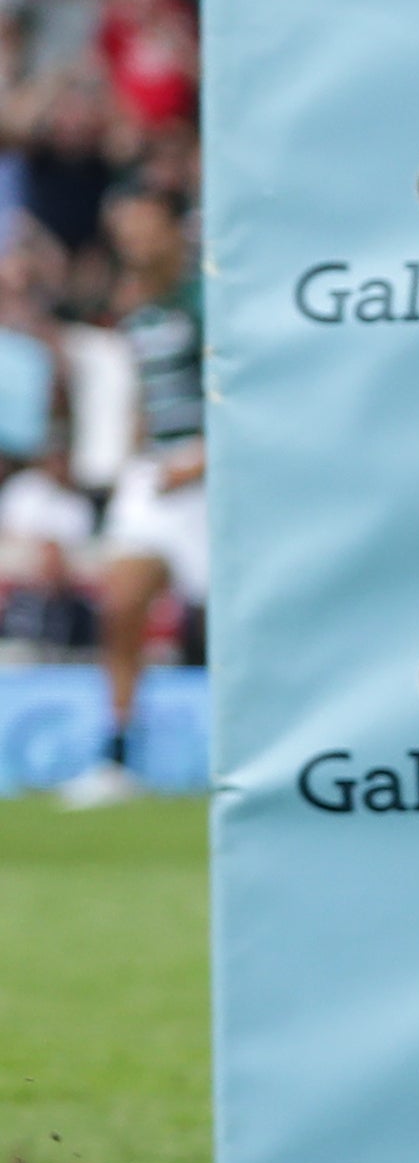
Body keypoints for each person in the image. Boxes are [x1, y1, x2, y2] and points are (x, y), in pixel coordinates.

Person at [57, 185, 200, 811]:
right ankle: (116, 755)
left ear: (174, 229)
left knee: (230, 628)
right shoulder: (138, 311)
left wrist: (205, 456)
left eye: (143, 227)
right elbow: (149, 392)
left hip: (212, 477)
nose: (132, 242)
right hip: (155, 478)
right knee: (120, 609)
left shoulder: (209, 300)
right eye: (123, 230)